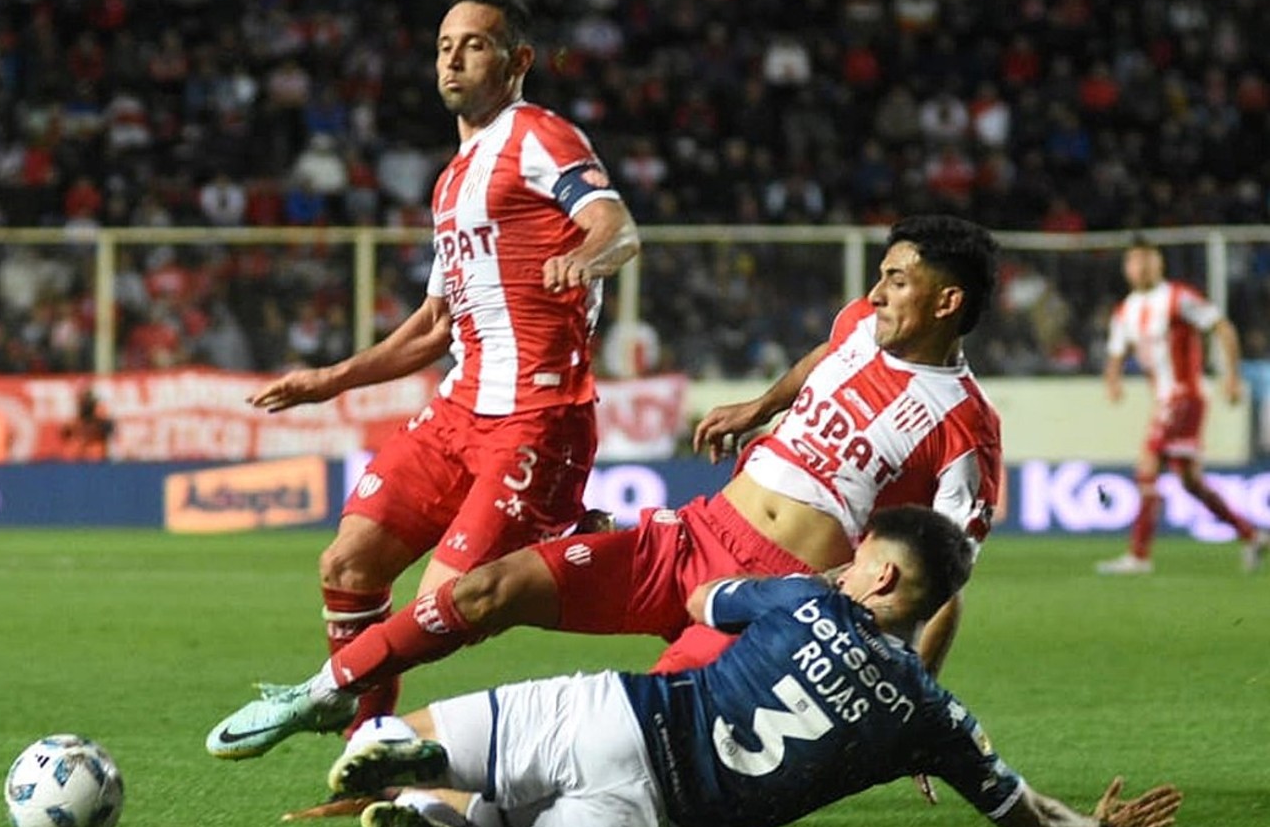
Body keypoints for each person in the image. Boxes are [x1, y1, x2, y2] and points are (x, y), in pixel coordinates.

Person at [208, 215, 1003, 760]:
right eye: (879, 276)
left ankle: (445, 790)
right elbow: (816, 362)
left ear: (946, 299)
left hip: (771, 591)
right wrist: (759, 405)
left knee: (628, 733)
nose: (876, 293)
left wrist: (910, 696)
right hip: (694, 533)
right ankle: (322, 693)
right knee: (487, 590)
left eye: (897, 281)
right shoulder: (857, 325)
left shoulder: (963, 422)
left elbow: (943, 576)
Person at [237, 0, 640, 735]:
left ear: (518, 61)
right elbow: (431, 326)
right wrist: (331, 379)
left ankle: (572, 539)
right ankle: (367, 753)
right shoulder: (452, 180)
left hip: (535, 414)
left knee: (444, 609)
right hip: (458, 410)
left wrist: (586, 255)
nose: (452, 57)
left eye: (474, 44)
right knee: (347, 567)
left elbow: (616, 226)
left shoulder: (537, 136)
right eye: (443, 45)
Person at [326, 506, 1182, 827]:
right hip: (659, 822)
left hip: (625, 719)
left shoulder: (808, 599)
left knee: (406, 744)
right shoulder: (936, 718)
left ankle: (412, 761)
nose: (845, 566)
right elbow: (1023, 812)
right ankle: (460, 824)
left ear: (880, 579)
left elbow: (699, 594)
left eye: (860, 559)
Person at [1096, 239, 1268, 574]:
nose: (1141, 266)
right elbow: (1116, 353)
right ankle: (1251, 535)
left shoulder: (1178, 297)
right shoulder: (1125, 311)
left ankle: (1139, 556)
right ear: (1126, 268)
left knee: (1147, 464)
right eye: (1134, 261)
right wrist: (1113, 379)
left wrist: (1231, 375)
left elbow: (1222, 326)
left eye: (1147, 259)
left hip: (1184, 395)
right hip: (1165, 400)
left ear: (1159, 263)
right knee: (1189, 480)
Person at [60, 389, 114, 461]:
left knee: (96, 448)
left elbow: (109, 430)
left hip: (97, 465)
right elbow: (65, 433)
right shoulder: (75, 425)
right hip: (78, 463)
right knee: (74, 446)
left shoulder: (101, 424)